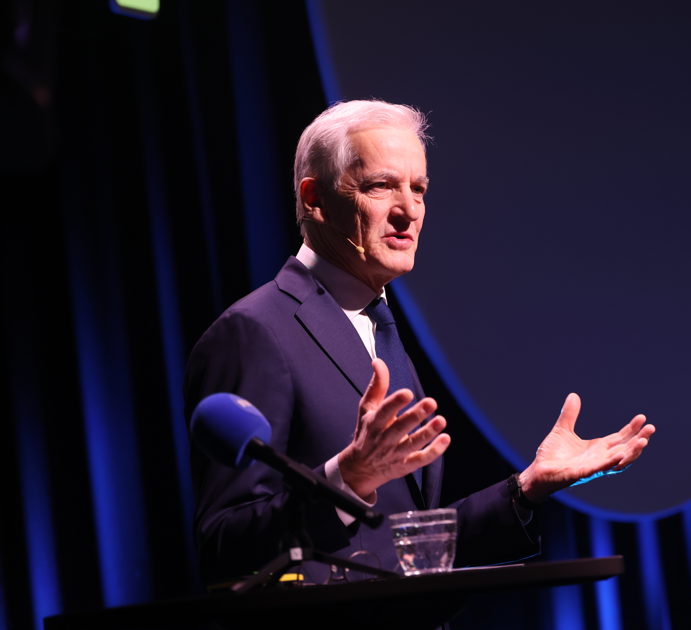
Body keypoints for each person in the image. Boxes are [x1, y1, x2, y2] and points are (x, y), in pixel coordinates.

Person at [186, 99, 655, 584]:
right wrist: (347, 480)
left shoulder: (380, 325)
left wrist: (524, 488)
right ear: (314, 200)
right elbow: (225, 545)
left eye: (419, 189)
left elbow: (402, 544)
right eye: (380, 186)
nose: (407, 211)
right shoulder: (255, 332)